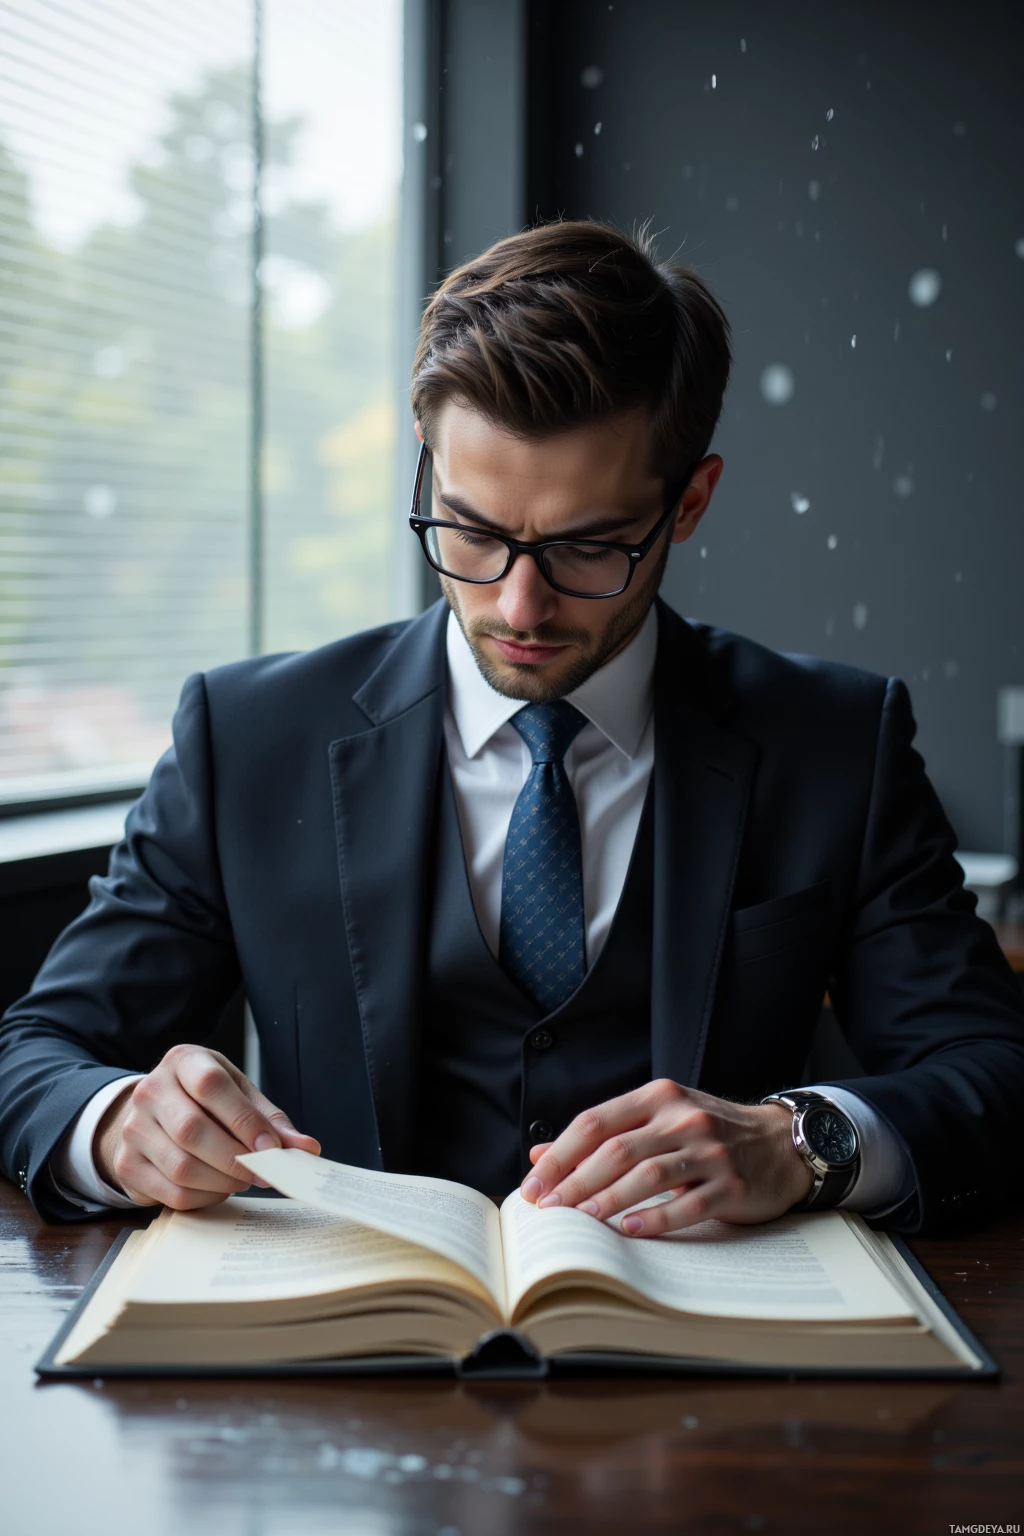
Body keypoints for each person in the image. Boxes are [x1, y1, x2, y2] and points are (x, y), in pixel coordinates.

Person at [2, 220, 1022, 1237]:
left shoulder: (837, 743)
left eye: (587, 549)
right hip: (344, 1363)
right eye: (471, 531)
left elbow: (997, 1075)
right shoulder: (246, 739)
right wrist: (117, 1125)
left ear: (689, 503)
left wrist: (799, 1142)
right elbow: (35, 1053)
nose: (519, 606)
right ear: (425, 468)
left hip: (718, 1358)